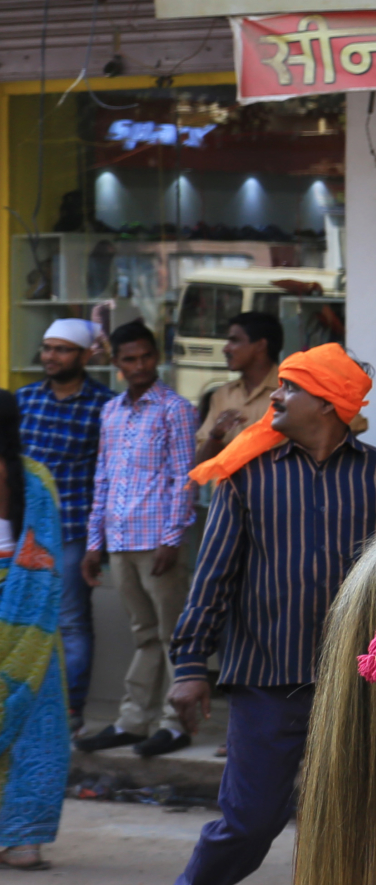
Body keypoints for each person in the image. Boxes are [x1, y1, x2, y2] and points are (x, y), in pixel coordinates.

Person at [148, 345, 376, 885]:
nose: (272, 401)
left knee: (346, 832)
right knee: (247, 825)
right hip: (268, 679)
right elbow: (213, 576)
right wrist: (190, 667)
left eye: (288, 390)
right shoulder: (249, 476)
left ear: (327, 404)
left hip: (355, 688)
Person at [76, 322, 198, 758]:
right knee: (144, 633)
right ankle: (133, 720)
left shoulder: (175, 409)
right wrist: (95, 543)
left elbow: (185, 479)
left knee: (172, 635)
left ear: (157, 357)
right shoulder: (110, 411)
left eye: (147, 356)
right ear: (117, 364)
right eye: (130, 358)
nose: (141, 365)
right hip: (119, 539)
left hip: (158, 540)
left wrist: (172, 538)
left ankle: (175, 724)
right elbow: (103, 478)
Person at [18, 317, 114, 732]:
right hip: (25, 531)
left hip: (74, 530)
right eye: (47, 348)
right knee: (21, 617)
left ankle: (70, 709)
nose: (51, 357)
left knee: (72, 622)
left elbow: (107, 474)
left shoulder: (104, 405)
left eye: (62, 349)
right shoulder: (25, 400)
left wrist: (100, 541)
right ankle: (24, 703)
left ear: (85, 355)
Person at [0, 392, 71, 870]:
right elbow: (47, 552)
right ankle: (24, 840)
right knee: (37, 727)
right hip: (32, 615)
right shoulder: (37, 478)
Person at [191, 312, 284, 467]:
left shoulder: (289, 392)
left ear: (260, 345)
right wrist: (216, 435)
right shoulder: (222, 396)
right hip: (229, 490)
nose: (226, 349)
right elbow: (202, 463)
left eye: (234, 341)